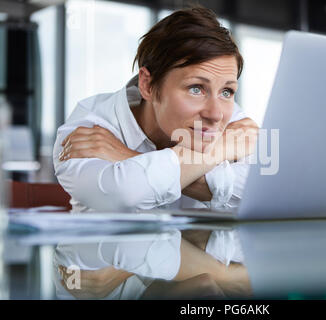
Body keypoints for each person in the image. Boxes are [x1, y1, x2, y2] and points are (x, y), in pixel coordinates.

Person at [53, 6, 258, 298]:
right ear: (148, 85)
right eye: (196, 88)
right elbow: (125, 192)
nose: (216, 114)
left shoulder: (230, 118)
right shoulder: (88, 129)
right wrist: (219, 152)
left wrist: (128, 158)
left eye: (227, 91)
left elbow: (263, 193)